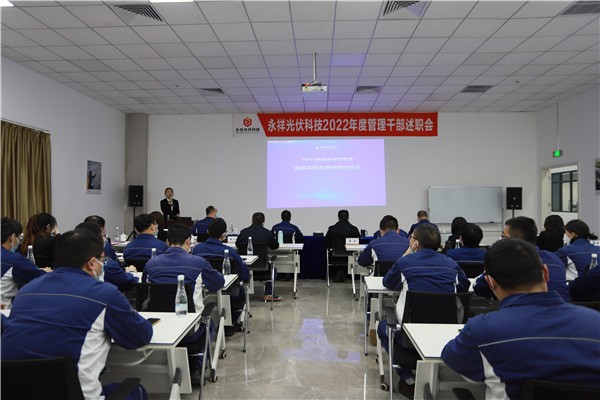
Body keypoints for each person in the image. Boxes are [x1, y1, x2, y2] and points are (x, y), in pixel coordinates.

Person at [2, 229, 153, 400]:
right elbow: (139, 338)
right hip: (75, 394)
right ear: (92, 263)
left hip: (14, 393)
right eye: (102, 260)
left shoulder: (26, 291)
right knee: (136, 391)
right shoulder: (105, 295)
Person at [442, 238, 600, 400]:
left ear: (491, 283)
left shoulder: (482, 330)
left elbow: (457, 364)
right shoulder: (596, 322)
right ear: (545, 273)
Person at [378, 223, 470, 398]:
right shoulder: (451, 264)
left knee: (383, 327)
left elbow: (387, 282)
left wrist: (406, 254)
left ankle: (407, 378)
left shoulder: (405, 263)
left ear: (416, 243)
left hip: (409, 337)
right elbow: (463, 287)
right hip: (447, 334)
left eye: (411, 238)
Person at [143, 223, 224, 383]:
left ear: (167, 242)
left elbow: (145, 289)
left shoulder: (151, 264)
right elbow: (218, 284)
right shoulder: (199, 263)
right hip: (189, 330)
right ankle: (197, 366)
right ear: (188, 241)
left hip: (157, 326)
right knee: (210, 324)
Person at [473, 216, 569, 301]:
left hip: (523, 313)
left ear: (514, 240)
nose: (501, 240)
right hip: (562, 312)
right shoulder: (555, 259)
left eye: (504, 237)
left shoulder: (506, 260)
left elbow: (480, 287)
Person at [193, 217, 250, 334]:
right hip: (230, 291)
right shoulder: (230, 252)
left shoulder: (197, 249)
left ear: (208, 231)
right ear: (224, 235)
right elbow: (244, 274)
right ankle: (231, 323)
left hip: (202, 292)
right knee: (241, 292)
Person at [76, 221, 138, 292]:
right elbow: (127, 281)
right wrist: (131, 272)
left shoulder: (71, 262)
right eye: (103, 236)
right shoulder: (106, 264)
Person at [1, 217, 49, 307]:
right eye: (19, 238)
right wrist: (47, 272)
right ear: (12, 237)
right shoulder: (15, 260)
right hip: (4, 311)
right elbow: (41, 277)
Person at [236, 212, 281, 301]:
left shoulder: (243, 232)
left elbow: (238, 244)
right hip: (263, 269)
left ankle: (240, 293)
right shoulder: (267, 233)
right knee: (273, 269)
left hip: (245, 268)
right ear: (263, 222)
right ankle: (268, 293)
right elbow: (275, 246)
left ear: (252, 221)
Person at [325, 209, 360, 282]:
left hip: (334, 255)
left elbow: (326, 242)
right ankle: (342, 273)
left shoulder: (332, 229)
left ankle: (339, 273)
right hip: (350, 256)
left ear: (338, 218)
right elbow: (358, 242)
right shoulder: (354, 229)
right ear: (348, 218)